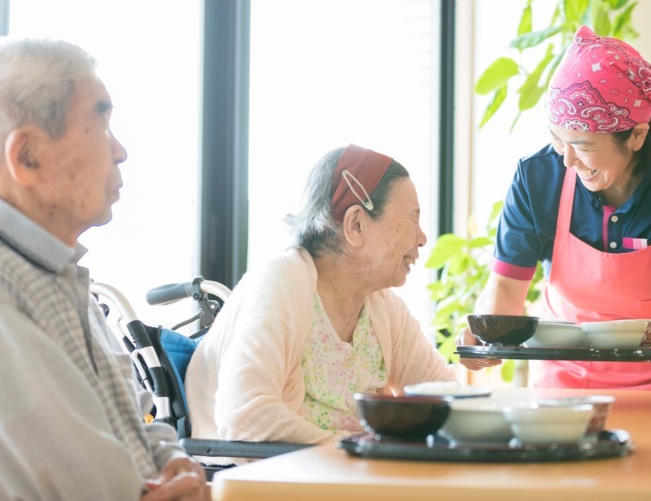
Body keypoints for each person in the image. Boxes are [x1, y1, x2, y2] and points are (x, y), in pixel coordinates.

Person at [0, 37, 208, 500]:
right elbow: (91, 488)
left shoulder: (57, 276)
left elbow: (136, 421)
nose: (120, 151)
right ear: (26, 156)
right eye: (101, 125)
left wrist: (177, 462)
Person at [459, 26, 651, 391]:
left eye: (582, 146)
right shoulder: (537, 177)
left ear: (636, 134)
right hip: (566, 368)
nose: (567, 160)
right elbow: (505, 285)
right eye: (557, 141)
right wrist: (486, 333)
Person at [185, 144, 455, 445]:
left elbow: (446, 398)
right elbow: (245, 418)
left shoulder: (383, 307)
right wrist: (356, 450)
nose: (422, 238)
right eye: (413, 219)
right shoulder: (283, 281)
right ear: (356, 225)